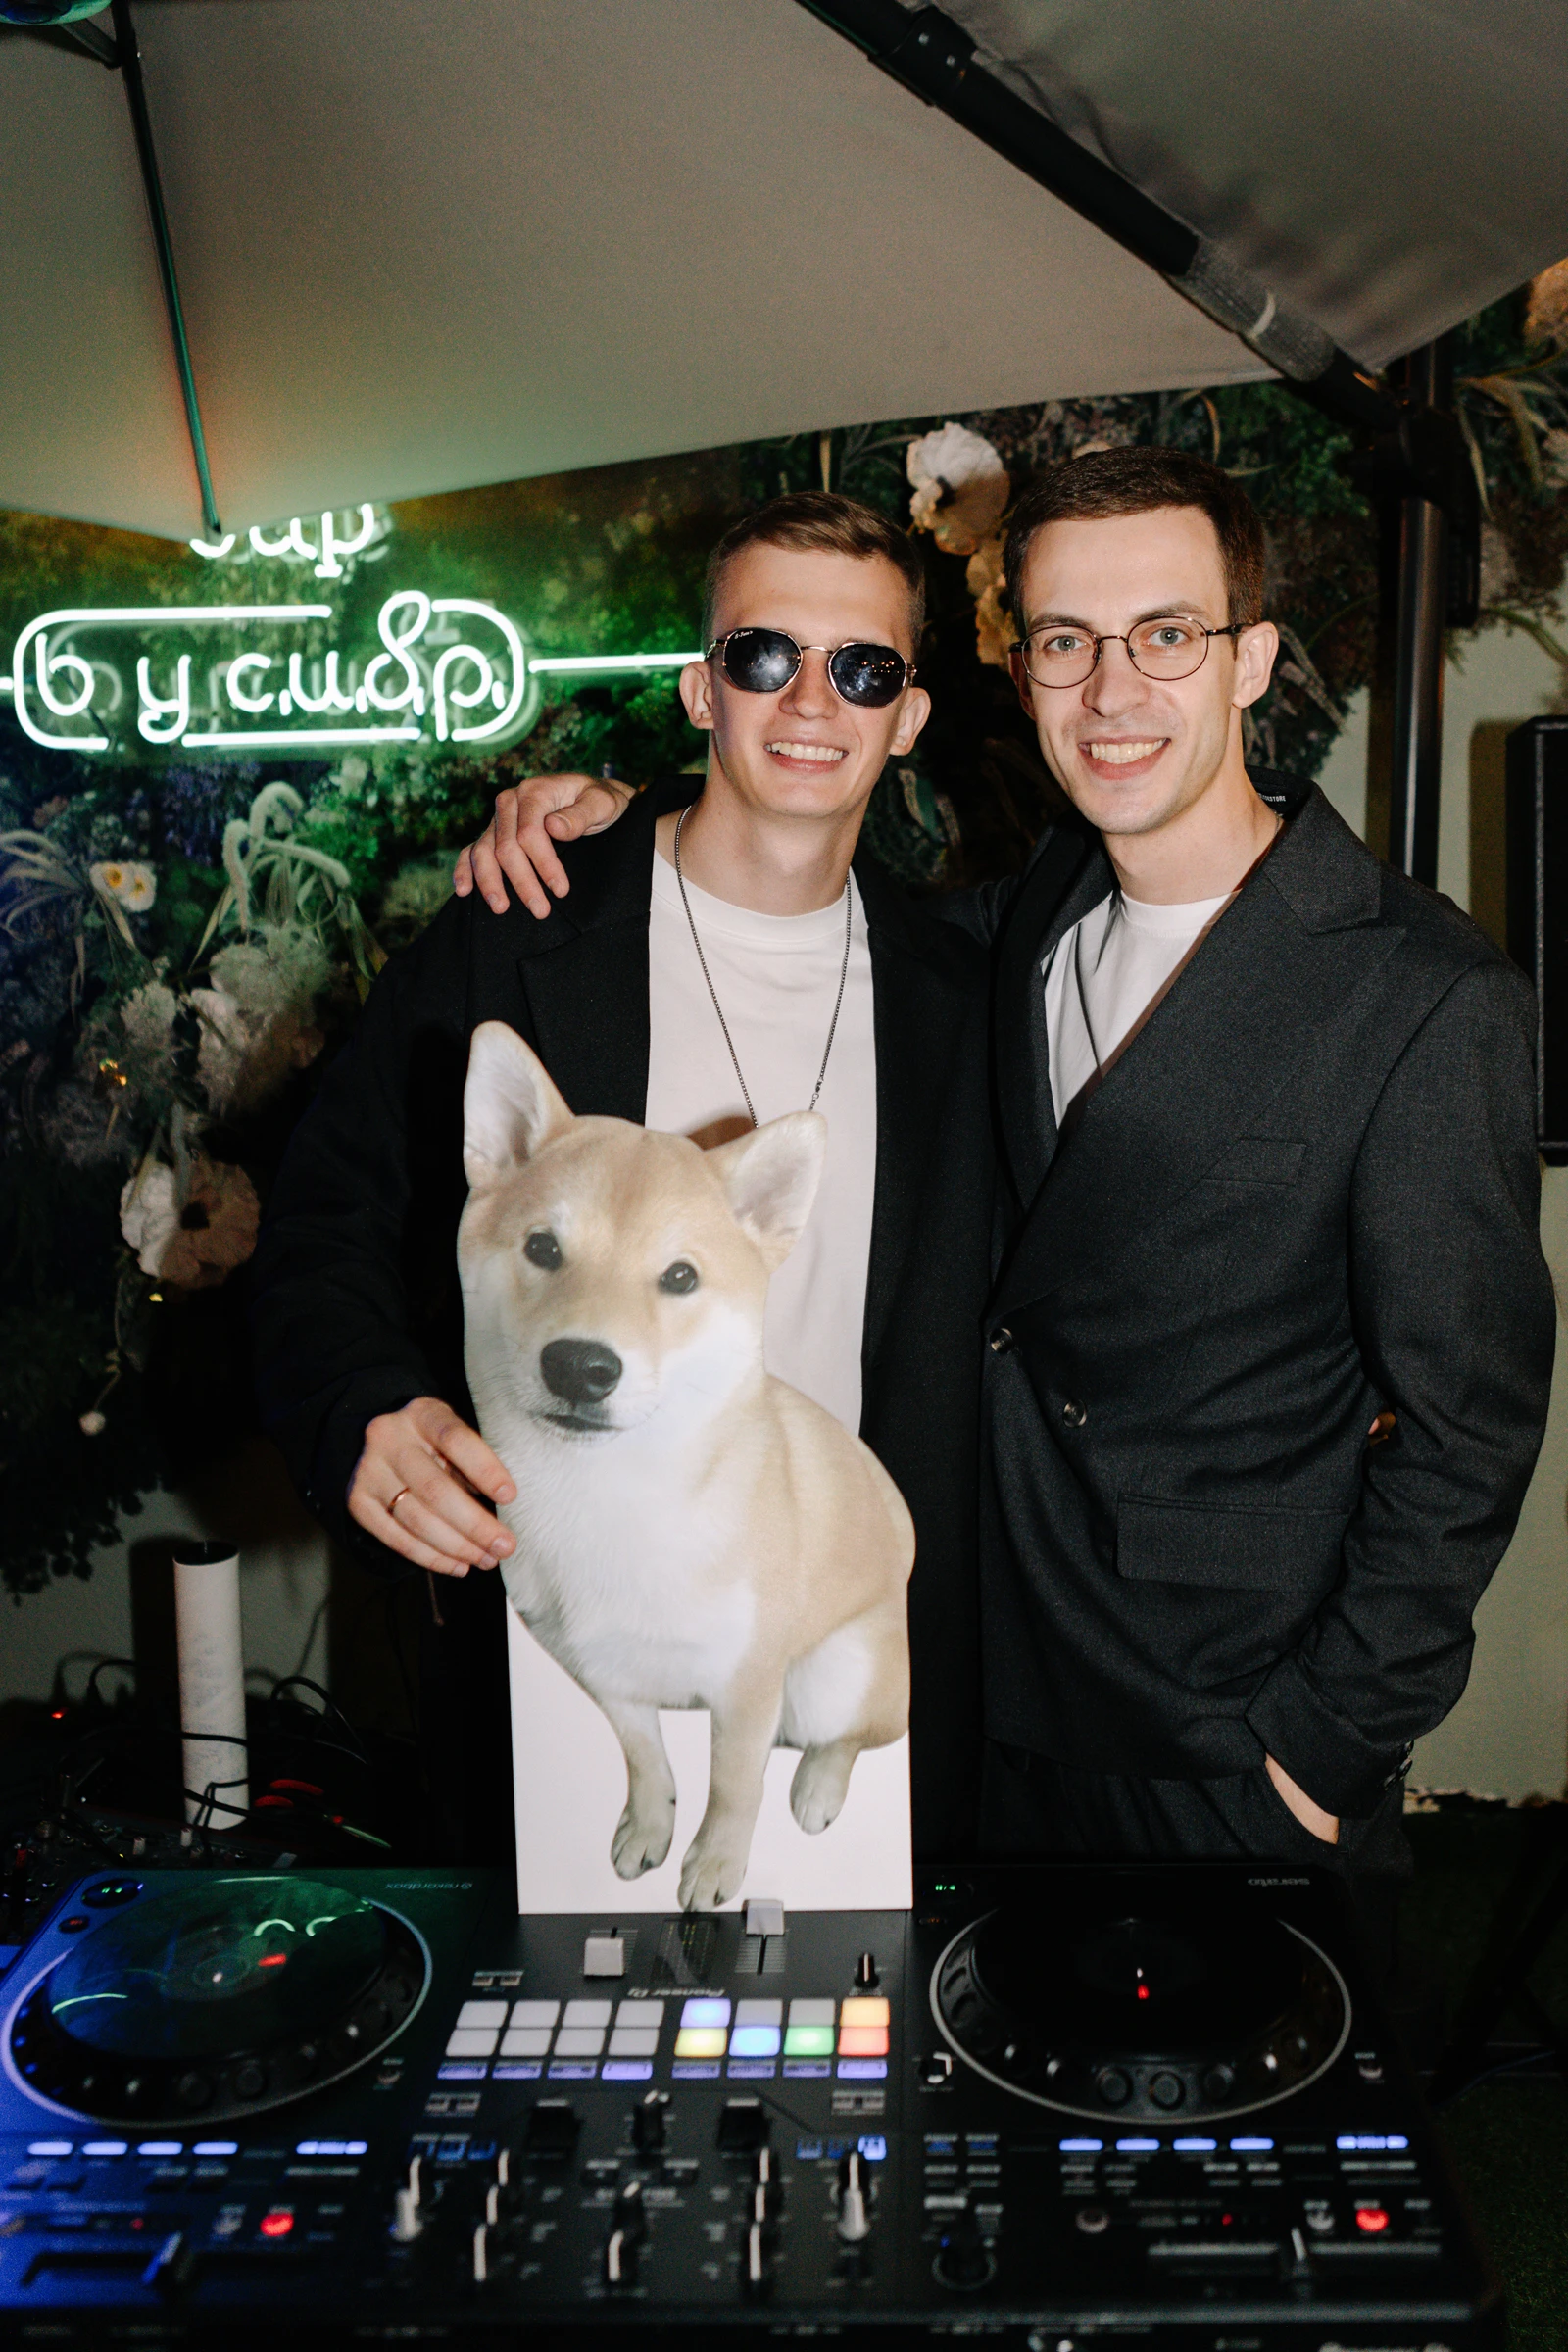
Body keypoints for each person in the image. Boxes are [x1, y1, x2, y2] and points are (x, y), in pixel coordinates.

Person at [458, 447, 1555, 1944]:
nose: (1112, 691)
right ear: (1021, 669)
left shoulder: (1423, 994)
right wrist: (619, 817)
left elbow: (1471, 1428)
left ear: (1252, 662)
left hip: (1225, 1734)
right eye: (1064, 642)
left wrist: (1326, 1746)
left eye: (1165, 634)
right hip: (987, 1685)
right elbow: (800, 887)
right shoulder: (1030, 912)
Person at [251, 492, 995, 1866]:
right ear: (702, 690)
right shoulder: (517, 926)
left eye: (863, 667)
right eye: (764, 655)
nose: (811, 699)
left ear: (909, 717)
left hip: (845, 1658)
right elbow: (320, 1228)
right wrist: (363, 1410)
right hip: (552, 1653)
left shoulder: (973, 1000)